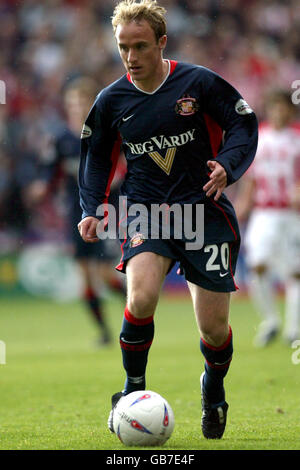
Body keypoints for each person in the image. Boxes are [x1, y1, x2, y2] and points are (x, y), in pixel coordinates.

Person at [78, 0, 258, 439]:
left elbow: (243, 125)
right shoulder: (111, 100)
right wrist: (91, 208)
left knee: (214, 332)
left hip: (205, 213)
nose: (131, 57)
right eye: (123, 48)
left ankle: (212, 389)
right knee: (140, 299)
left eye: (141, 46)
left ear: (162, 42)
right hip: (147, 213)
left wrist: (228, 166)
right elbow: (97, 157)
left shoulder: (199, 83)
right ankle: (131, 390)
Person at [28, 77, 126, 345]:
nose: (77, 106)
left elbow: (125, 161)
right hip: (77, 212)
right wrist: (41, 187)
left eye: (82, 101)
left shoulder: (106, 132)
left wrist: (117, 177)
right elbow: (51, 171)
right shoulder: (61, 139)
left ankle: (134, 306)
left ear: (92, 103)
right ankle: (104, 332)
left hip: (106, 210)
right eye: (72, 102)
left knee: (106, 275)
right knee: (85, 276)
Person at [236, 90, 300, 347]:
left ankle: (293, 329)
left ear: (290, 110)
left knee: (295, 273)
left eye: (283, 107)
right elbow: (251, 177)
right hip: (263, 212)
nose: (278, 112)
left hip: (291, 213)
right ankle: (271, 320)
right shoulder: (259, 138)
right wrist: (241, 204)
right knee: (257, 265)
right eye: (274, 107)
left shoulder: (297, 139)